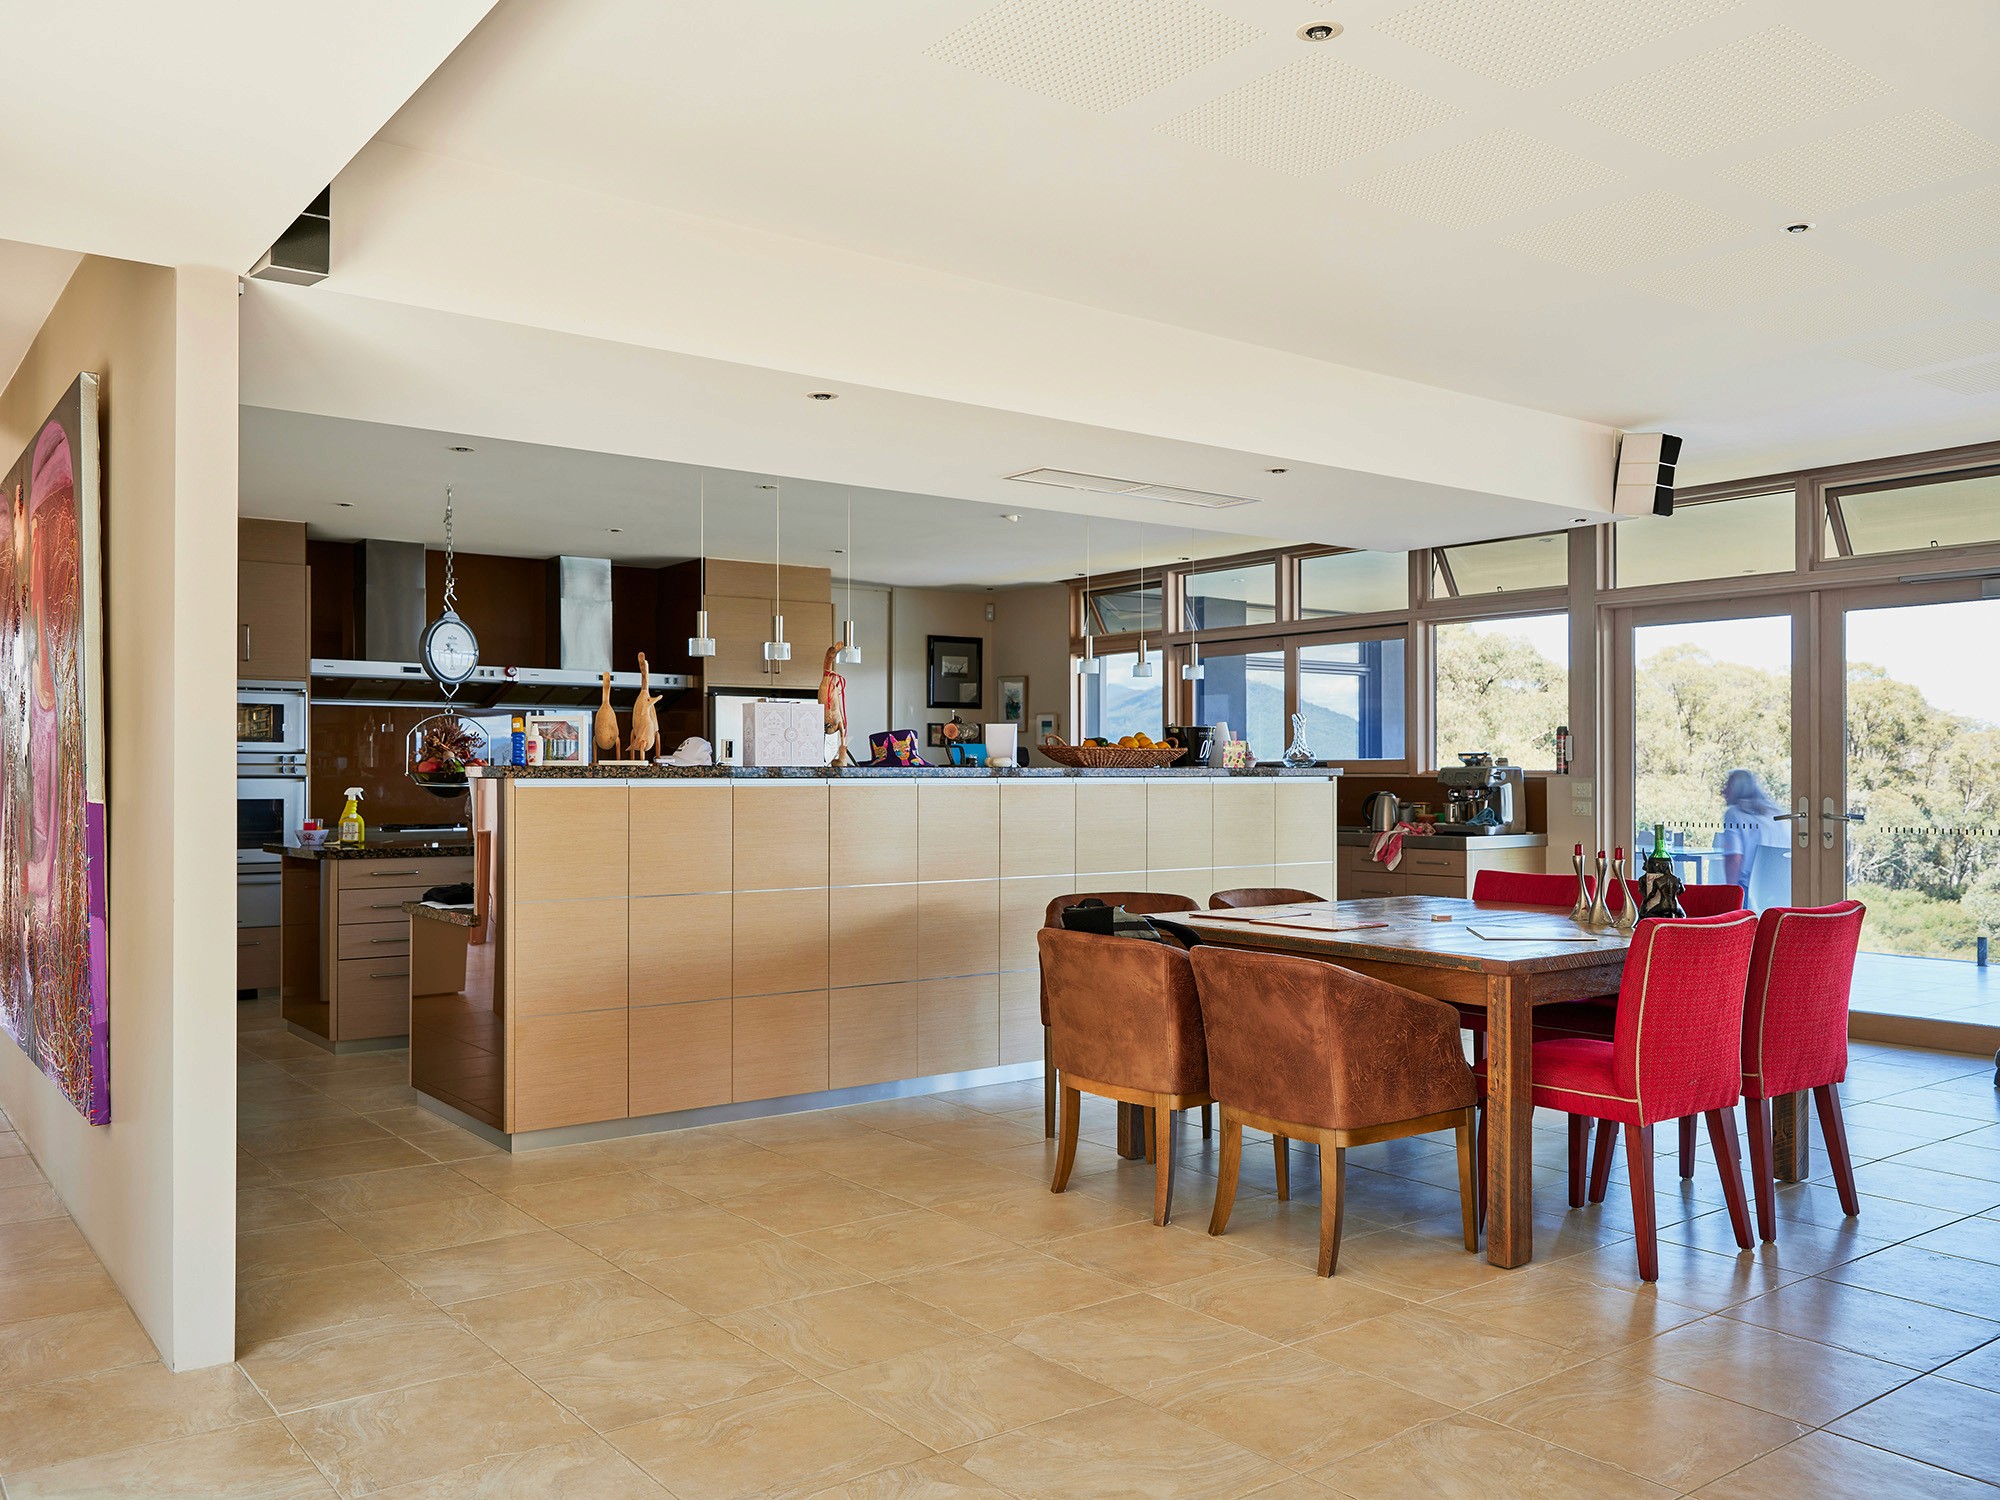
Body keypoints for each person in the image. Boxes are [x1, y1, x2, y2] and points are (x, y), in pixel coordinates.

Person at [1717, 769, 1782, 905]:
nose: (1723, 791)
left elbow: (1734, 858)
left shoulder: (1734, 813)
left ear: (1736, 789)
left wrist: (1730, 896)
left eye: (1727, 786)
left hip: (1752, 889)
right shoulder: (1777, 814)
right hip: (1783, 887)